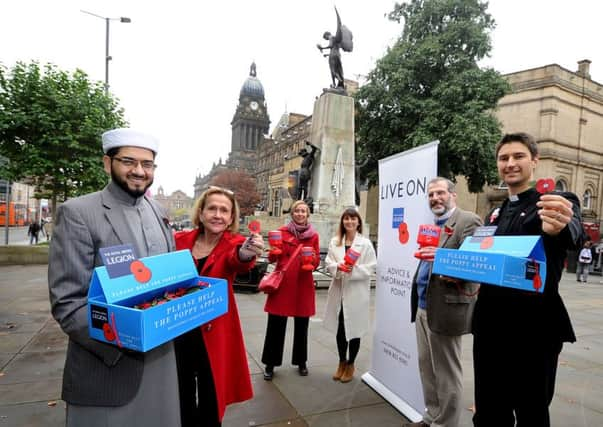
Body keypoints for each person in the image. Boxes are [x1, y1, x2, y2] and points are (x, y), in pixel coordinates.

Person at [48, 128, 181, 427]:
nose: (138, 171)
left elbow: (169, 283)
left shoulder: (159, 212)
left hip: (162, 362)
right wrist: (127, 338)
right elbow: (68, 304)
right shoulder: (78, 213)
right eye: (128, 161)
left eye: (147, 164)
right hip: (108, 366)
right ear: (107, 163)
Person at [472, 132, 584, 427]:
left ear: (534, 161)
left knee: (531, 411)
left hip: (534, 330)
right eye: (503, 158)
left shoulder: (554, 200)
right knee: (488, 410)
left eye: (518, 156)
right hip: (490, 326)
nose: (510, 163)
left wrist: (559, 225)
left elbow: (573, 231)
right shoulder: (493, 214)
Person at [173, 186, 263, 427]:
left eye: (225, 210)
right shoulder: (179, 240)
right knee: (180, 395)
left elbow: (238, 260)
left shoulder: (234, 243)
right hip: (179, 330)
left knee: (211, 398)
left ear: (231, 218)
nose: (218, 215)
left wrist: (246, 254)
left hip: (215, 333)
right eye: (212, 208)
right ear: (201, 213)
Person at [404, 178, 482, 427]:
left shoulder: (468, 220)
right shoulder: (433, 225)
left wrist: (443, 258)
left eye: (440, 193)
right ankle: (431, 416)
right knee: (427, 368)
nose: (435, 198)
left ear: (453, 195)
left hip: (447, 308)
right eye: (431, 195)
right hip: (424, 306)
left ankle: (445, 423)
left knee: (447, 373)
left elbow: (475, 264)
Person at [261, 199, 320, 380]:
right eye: (297, 211)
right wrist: (273, 252)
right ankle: (270, 364)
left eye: (303, 211)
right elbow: (271, 258)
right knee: (276, 325)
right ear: (292, 213)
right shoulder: (281, 232)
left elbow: (317, 259)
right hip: (283, 283)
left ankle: (301, 362)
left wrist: (311, 261)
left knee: (302, 326)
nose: (300, 214)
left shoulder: (313, 236)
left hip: (302, 283)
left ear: (307, 215)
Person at [323, 208, 376, 383]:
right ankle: (341, 361)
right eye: (346, 219)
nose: (349, 222)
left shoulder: (366, 244)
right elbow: (328, 262)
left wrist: (354, 269)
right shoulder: (335, 242)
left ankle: (351, 363)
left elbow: (371, 267)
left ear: (358, 222)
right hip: (339, 290)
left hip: (356, 292)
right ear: (342, 222)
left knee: (354, 330)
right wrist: (338, 266)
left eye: (353, 219)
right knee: (340, 330)